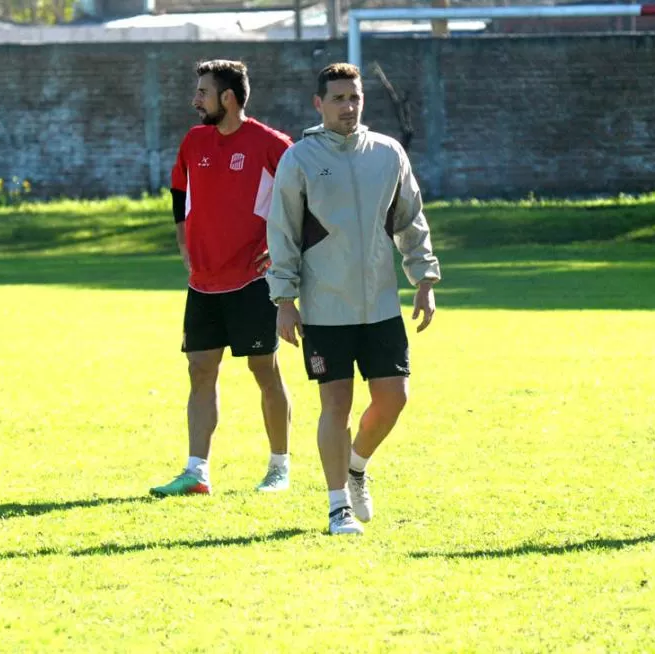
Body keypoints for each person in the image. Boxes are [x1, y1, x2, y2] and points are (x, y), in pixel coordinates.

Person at [266, 63, 441, 535]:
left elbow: (410, 219)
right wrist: (284, 298)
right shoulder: (299, 159)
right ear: (318, 104)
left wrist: (424, 278)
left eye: (355, 98)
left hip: (382, 304)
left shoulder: (388, 153)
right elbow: (280, 232)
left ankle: (357, 466)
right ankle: (337, 506)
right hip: (326, 307)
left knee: (394, 399)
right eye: (339, 98)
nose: (348, 106)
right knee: (335, 406)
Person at [150, 59, 294, 497]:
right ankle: (197, 472)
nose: (195, 100)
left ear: (227, 98)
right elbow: (179, 190)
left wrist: (283, 248)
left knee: (262, 368)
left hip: (253, 281)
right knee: (199, 369)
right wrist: (181, 243)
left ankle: (279, 467)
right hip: (203, 282)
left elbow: (301, 198)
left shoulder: (272, 144)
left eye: (202, 92)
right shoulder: (194, 141)